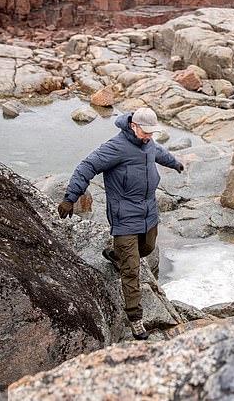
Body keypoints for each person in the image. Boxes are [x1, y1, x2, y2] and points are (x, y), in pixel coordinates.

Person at [58, 108, 184, 340]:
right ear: (133, 126)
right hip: (124, 216)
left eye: (151, 133)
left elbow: (158, 152)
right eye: (145, 132)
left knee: (147, 249)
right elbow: (86, 167)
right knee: (132, 269)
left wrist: (175, 163)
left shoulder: (147, 143)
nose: (148, 136)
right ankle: (135, 318)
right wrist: (70, 198)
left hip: (148, 212)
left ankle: (116, 255)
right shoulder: (115, 147)